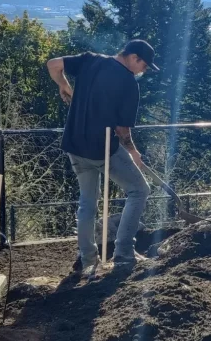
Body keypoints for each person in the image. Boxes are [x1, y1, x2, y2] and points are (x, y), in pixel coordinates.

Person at [46, 39, 158, 275]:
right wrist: (133, 152)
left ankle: (88, 260)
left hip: (74, 144)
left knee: (87, 203)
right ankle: (124, 253)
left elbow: (54, 64)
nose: (143, 71)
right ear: (134, 58)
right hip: (101, 147)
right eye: (144, 66)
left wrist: (63, 85)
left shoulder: (91, 60)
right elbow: (122, 129)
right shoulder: (128, 83)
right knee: (139, 190)